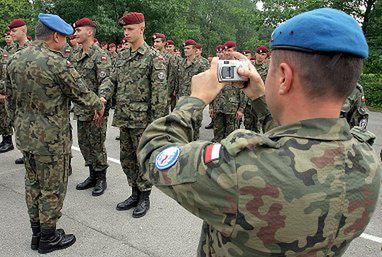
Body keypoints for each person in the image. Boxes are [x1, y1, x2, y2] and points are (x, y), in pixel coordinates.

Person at [138, 8, 381, 256]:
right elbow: (299, 143)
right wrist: (258, 96)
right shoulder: (367, 163)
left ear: (284, 77)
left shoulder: (240, 168)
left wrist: (196, 99)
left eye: (273, 69)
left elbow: (153, 152)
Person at [5, 13, 105, 254]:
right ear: (57, 36)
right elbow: (82, 94)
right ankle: (48, 238)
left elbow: (9, 100)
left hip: (26, 138)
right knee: (52, 188)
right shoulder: (56, 62)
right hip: (52, 140)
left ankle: (36, 233)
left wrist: (17, 124)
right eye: (65, 37)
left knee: (32, 185)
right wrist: (99, 104)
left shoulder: (15, 60)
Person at [99, 12, 167, 218]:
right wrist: (102, 97)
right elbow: (111, 80)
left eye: (129, 29)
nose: (125, 33)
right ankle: (134, 192)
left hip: (143, 121)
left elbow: (159, 95)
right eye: (124, 29)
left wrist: (157, 127)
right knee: (126, 159)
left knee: (143, 160)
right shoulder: (122, 56)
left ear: (141, 29)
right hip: (124, 118)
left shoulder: (154, 58)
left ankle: (144, 196)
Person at [72, 18, 112, 196]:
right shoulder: (76, 55)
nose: (75, 33)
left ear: (89, 32)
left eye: (79, 30)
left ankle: (101, 178)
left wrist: (101, 102)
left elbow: (106, 80)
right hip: (81, 109)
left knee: (97, 144)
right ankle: (92, 175)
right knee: (84, 144)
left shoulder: (100, 55)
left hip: (97, 109)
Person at [210, 40, 247, 142]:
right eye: (225, 50)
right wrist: (211, 106)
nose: (226, 53)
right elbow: (212, 87)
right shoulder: (218, 66)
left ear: (235, 51)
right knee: (217, 136)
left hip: (232, 108)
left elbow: (244, 90)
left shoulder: (240, 66)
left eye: (229, 50)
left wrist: (241, 109)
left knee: (231, 137)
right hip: (218, 106)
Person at [8, 18, 32, 164]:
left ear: (23, 30)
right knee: (22, 131)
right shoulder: (13, 51)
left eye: (14, 30)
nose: (11, 33)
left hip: (30, 100)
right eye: (10, 31)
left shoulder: (33, 49)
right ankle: (26, 154)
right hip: (18, 99)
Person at [174, 39, 209, 140]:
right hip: (181, 99)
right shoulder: (181, 63)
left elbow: (205, 83)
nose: (185, 50)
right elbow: (177, 79)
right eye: (184, 48)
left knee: (194, 127)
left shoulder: (201, 64)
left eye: (188, 48)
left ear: (194, 50)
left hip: (195, 100)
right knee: (181, 127)